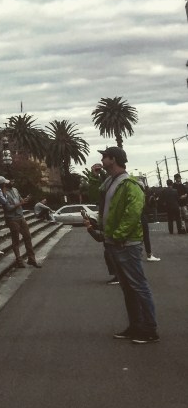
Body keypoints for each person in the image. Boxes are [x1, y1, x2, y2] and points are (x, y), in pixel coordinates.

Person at [83, 146, 158, 344]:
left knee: (138, 286)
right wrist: (93, 177)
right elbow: (95, 196)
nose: (101, 160)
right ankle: (136, 326)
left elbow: (133, 213)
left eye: (104, 157)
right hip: (115, 242)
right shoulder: (109, 182)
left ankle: (150, 329)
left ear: (113, 159)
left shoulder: (130, 184)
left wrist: (118, 235)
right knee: (128, 288)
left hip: (126, 243)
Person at [2, 178, 42, 268]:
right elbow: (8, 208)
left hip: (20, 216)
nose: (13, 182)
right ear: (6, 182)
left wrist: (26, 199)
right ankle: (19, 261)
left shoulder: (15, 190)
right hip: (12, 218)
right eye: (11, 181)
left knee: (28, 236)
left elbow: (21, 200)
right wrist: (21, 203)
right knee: (16, 240)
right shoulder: (3, 193)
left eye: (13, 181)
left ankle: (31, 260)